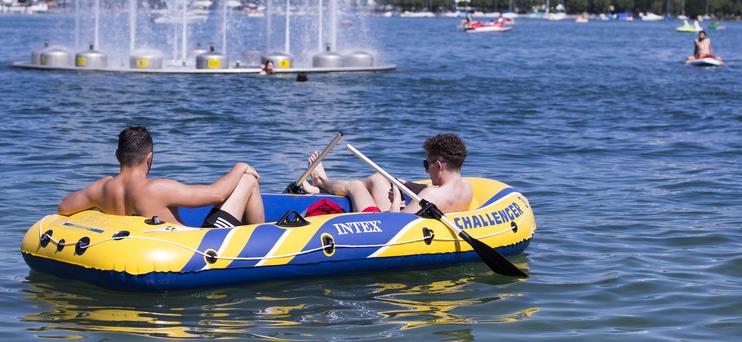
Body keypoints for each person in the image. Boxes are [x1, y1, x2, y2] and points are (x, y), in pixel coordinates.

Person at [57, 126, 265, 228]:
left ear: (117, 156)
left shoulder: (101, 188)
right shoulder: (155, 189)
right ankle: (260, 242)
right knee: (248, 180)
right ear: (149, 158)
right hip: (190, 251)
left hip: (141, 250)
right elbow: (218, 194)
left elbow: (63, 207)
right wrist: (240, 167)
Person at [303, 133, 473, 214]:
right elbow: (437, 193)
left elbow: (395, 224)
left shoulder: (431, 194)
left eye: (426, 164)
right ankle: (322, 186)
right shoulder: (467, 187)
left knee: (355, 186)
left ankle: (322, 182)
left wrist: (396, 202)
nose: (426, 170)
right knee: (378, 178)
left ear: (438, 165)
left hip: (376, 224)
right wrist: (408, 186)